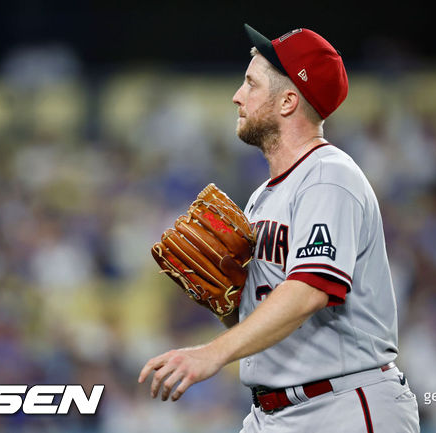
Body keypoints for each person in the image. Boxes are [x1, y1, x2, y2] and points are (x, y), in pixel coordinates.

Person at [138, 24, 420, 432]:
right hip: (273, 411)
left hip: (341, 406)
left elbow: (309, 291)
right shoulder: (263, 198)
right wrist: (227, 304)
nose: (237, 95)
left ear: (288, 101)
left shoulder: (328, 176)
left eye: (251, 84)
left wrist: (211, 354)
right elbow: (266, 317)